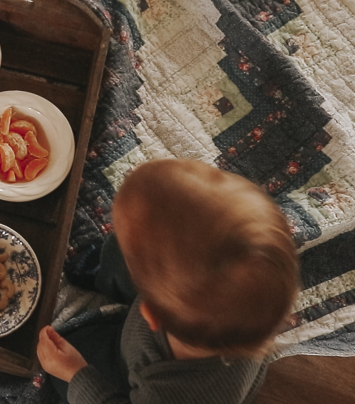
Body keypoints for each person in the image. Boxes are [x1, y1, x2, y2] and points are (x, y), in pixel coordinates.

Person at [37, 159, 300, 404]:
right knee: (119, 251)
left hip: (123, 369)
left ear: (149, 314)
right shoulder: (254, 306)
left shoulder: (170, 394)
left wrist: (76, 374)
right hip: (167, 318)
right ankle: (110, 269)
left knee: (69, 361)